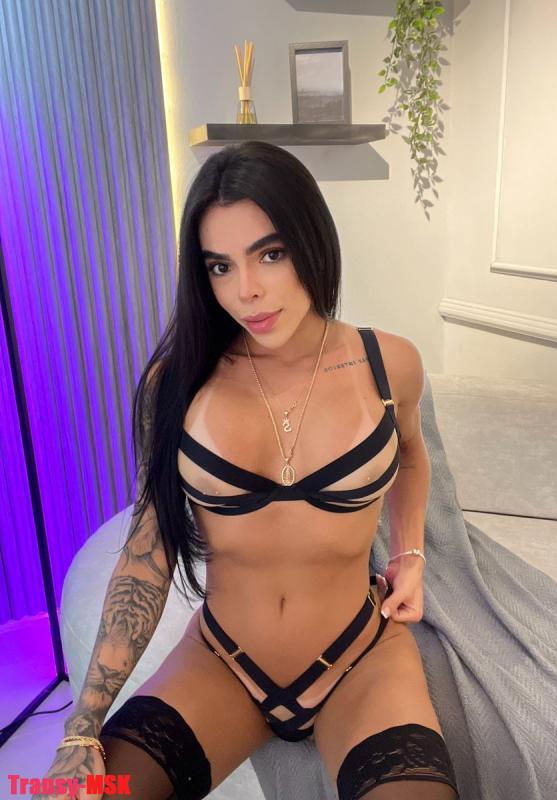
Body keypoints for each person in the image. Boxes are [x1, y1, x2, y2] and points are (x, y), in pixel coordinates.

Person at [36, 141, 460, 800]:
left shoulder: (390, 365)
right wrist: (81, 727)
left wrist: (409, 554)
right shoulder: (179, 383)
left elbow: (410, 454)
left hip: (360, 658)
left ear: (312, 241)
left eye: (270, 254)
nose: (246, 291)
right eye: (220, 266)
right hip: (223, 665)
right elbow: (149, 550)